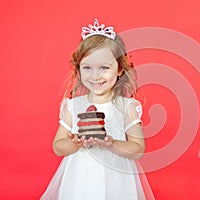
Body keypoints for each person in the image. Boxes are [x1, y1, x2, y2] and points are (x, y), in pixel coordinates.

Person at [41, 19, 154, 200]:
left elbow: (138, 148)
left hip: (117, 177)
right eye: (87, 68)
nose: (95, 76)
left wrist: (112, 144)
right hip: (79, 177)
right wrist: (75, 143)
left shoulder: (126, 106)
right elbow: (58, 146)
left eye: (104, 67)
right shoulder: (73, 105)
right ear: (79, 69)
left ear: (119, 70)